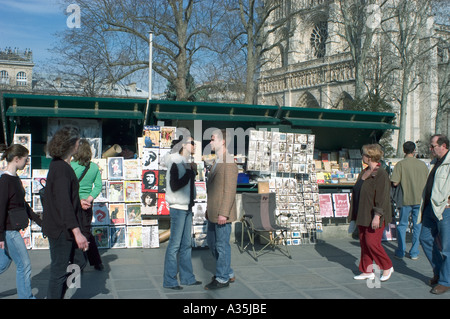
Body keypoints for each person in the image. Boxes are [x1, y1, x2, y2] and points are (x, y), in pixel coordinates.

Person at [42, 126, 89, 299]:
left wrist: (78, 202)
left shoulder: (58, 165)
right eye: (77, 141)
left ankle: (58, 295)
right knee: (59, 271)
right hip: (62, 229)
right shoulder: (61, 168)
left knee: (79, 262)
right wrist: (77, 232)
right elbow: (62, 202)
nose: (78, 144)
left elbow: (62, 197)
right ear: (72, 144)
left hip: (63, 225)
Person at [0, 144, 42, 299]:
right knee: (24, 265)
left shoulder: (15, 179)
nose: (27, 163)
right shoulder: (5, 180)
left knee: (2, 264)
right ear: (16, 159)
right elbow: (1, 208)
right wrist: (0, 236)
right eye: (25, 159)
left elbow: (22, 204)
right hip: (9, 231)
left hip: (12, 229)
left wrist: (39, 220)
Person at [349, 144, 393, 282]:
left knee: (372, 242)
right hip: (362, 213)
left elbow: (382, 196)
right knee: (364, 242)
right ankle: (367, 270)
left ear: (369, 156)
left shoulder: (381, 173)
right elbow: (357, 190)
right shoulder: (365, 171)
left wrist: (377, 215)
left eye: (363, 154)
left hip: (374, 215)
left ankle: (387, 265)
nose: (361, 156)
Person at [162, 135, 201, 289]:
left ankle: (187, 278)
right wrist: (190, 174)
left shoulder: (184, 162)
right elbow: (174, 185)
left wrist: (191, 172)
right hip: (178, 207)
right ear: (183, 145)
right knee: (175, 245)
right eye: (192, 143)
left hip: (187, 207)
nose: (195, 146)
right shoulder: (175, 160)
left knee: (186, 244)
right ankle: (170, 280)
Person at [205, 129, 238, 290]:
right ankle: (228, 272)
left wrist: (224, 212)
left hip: (222, 213)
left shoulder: (229, 161)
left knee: (221, 245)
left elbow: (230, 190)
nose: (210, 142)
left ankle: (222, 278)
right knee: (212, 243)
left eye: (212, 139)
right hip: (213, 211)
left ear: (222, 141)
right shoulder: (217, 160)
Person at [419, 134, 450, 295]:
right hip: (430, 208)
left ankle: (445, 281)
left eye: (433, 146)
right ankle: (439, 271)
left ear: (443, 145)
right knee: (424, 238)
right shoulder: (435, 162)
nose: (430, 149)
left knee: (447, 248)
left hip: (445, 209)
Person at [391, 141, 429, 260]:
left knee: (402, 225)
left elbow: (395, 182)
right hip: (420, 199)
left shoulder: (400, 164)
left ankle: (401, 251)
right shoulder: (422, 165)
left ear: (404, 150)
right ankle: (414, 252)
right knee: (417, 226)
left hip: (405, 199)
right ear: (414, 150)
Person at [71, 139, 104, 270]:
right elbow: (98, 186)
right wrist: (88, 200)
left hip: (73, 203)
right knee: (86, 231)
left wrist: (79, 200)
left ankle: (79, 263)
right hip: (87, 205)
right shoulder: (94, 167)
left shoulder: (71, 166)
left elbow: (69, 187)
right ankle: (96, 262)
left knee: (74, 232)